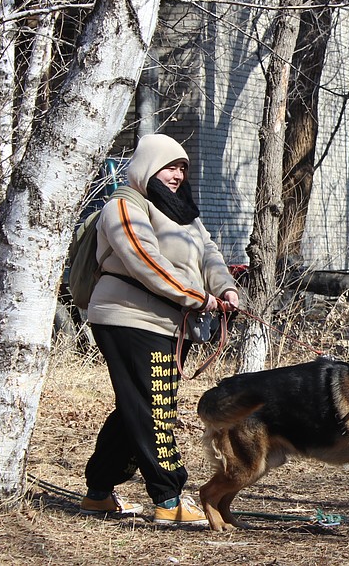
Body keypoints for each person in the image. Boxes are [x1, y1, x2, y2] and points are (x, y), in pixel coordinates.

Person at [78, 133, 239, 526]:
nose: (178, 174)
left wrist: (225, 288)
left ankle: (99, 491)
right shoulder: (124, 205)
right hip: (127, 317)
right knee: (154, 407)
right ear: (148, 165)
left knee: (135, 405)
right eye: (170, 165)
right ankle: (168, 498)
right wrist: (198, 297)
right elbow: (145, 262)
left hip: (170, 321)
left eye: (183, 167)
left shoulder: (181, 211)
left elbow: (210, 252)